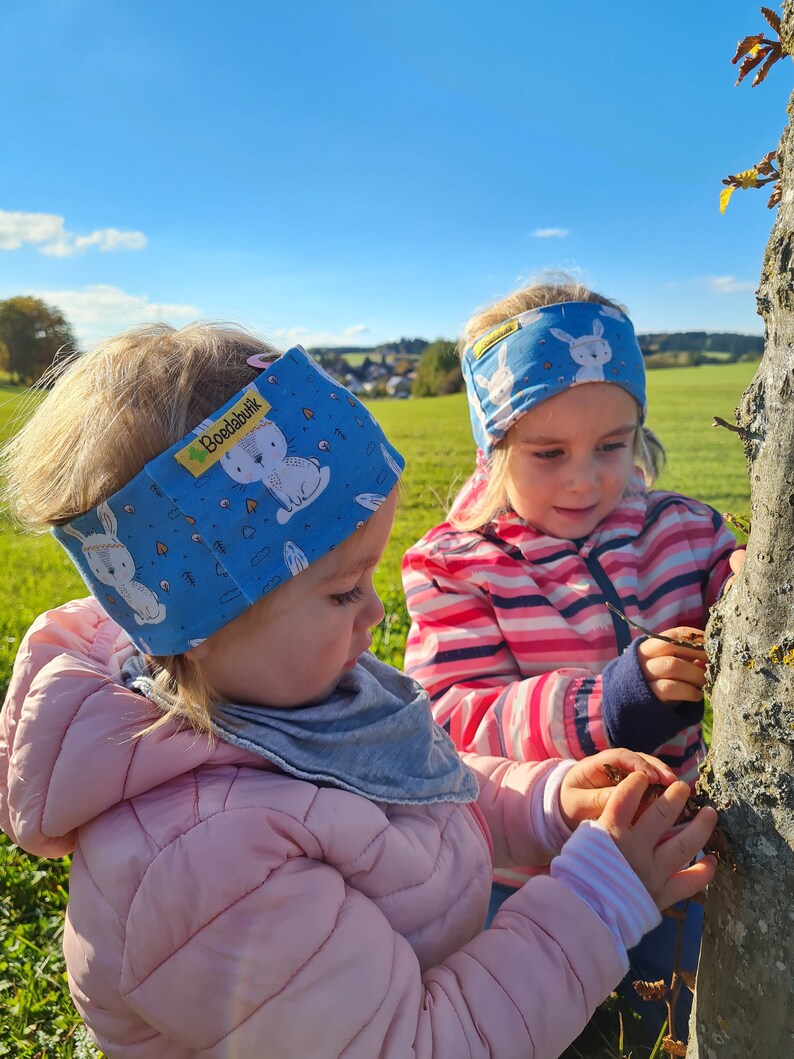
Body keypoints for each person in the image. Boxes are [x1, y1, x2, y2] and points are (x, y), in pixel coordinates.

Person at [0, 322, 718, 1059]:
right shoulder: (203, 863)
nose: (376, 613)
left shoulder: (287, 690)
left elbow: (410, 790)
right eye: (344, 591)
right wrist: (598, 899)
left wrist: (548, 802)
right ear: (202, 621)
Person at [401, 278, 741, 1028]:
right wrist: (607, 704)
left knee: (678, 1012)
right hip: (529, 879)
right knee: (543, 1022)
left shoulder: (680, 530)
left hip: (671, 847)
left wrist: (748, 579)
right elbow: (452, 723)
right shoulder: (457, 566)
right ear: (494, 447)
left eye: (612, 446)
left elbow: (736, 576)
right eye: (548, 452)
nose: (585, 479)